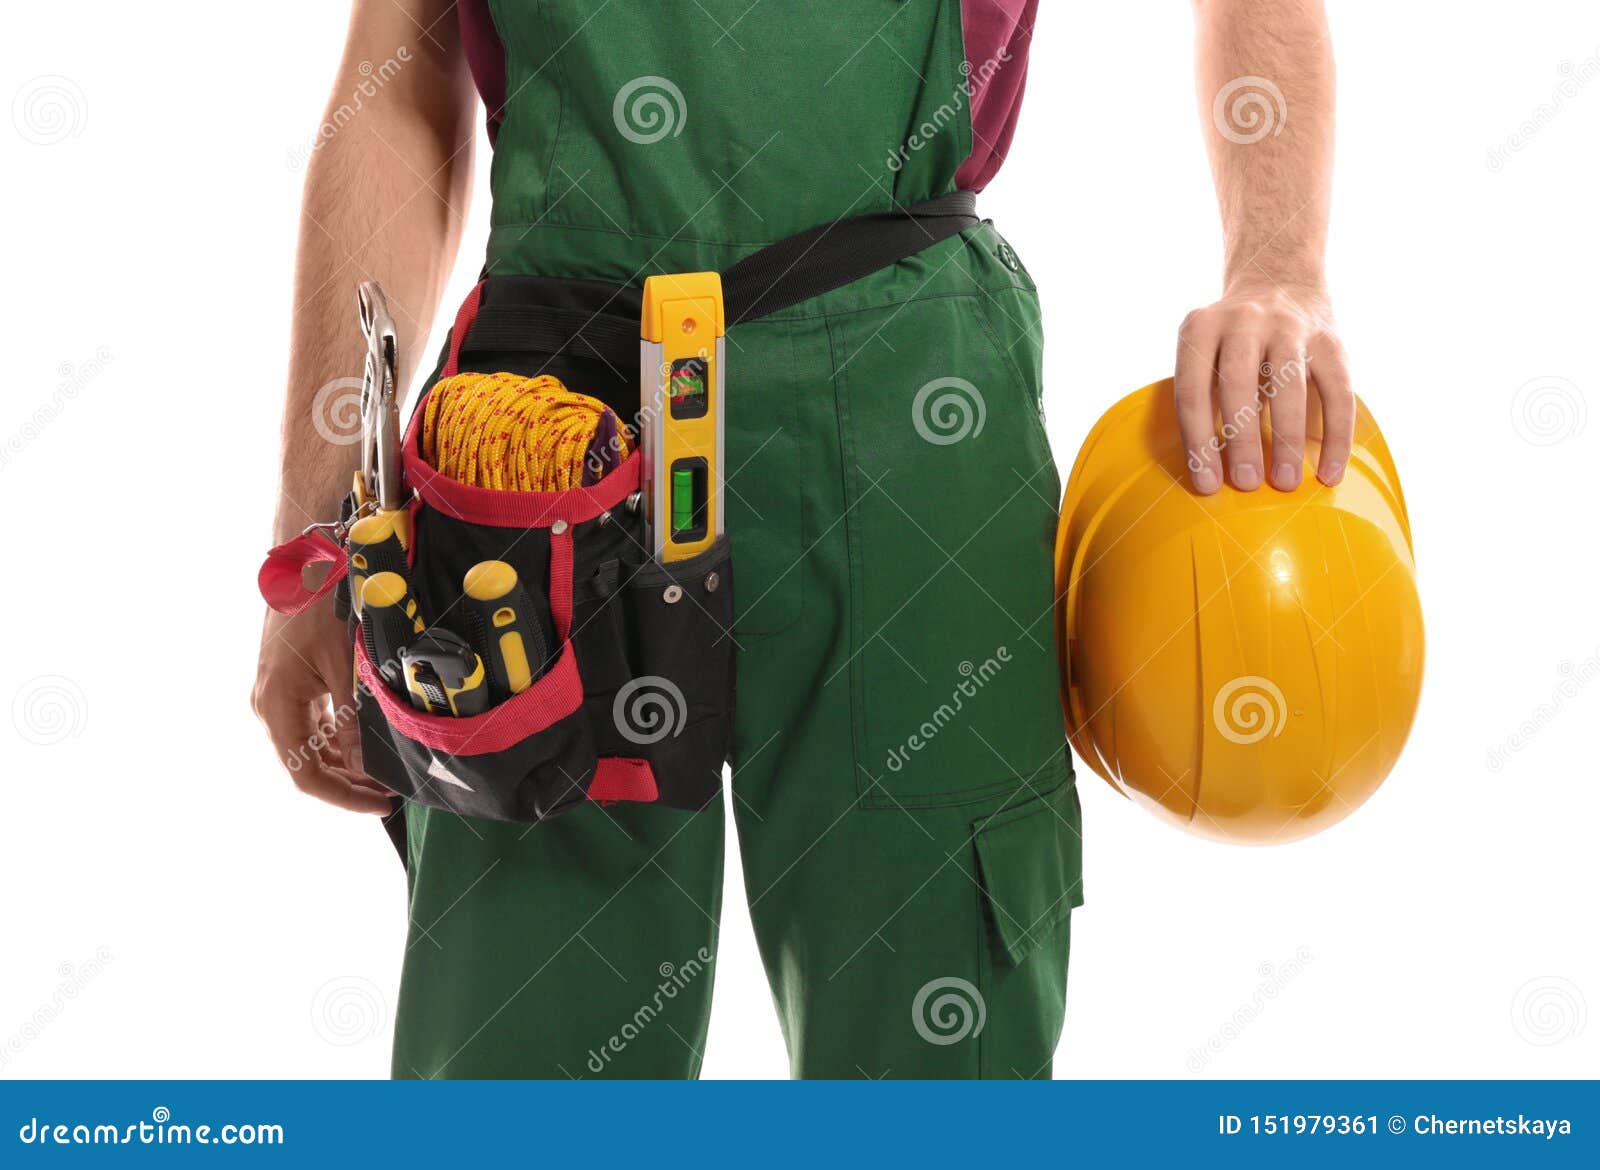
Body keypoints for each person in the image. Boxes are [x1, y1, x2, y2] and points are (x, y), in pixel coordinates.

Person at [253, 0, 1353, 1079]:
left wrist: (1278, 270)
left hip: (909, 403)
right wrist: (314, 532)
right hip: (542, 433)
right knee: (522, 1043)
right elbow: (398, 77)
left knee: (934, 1034)